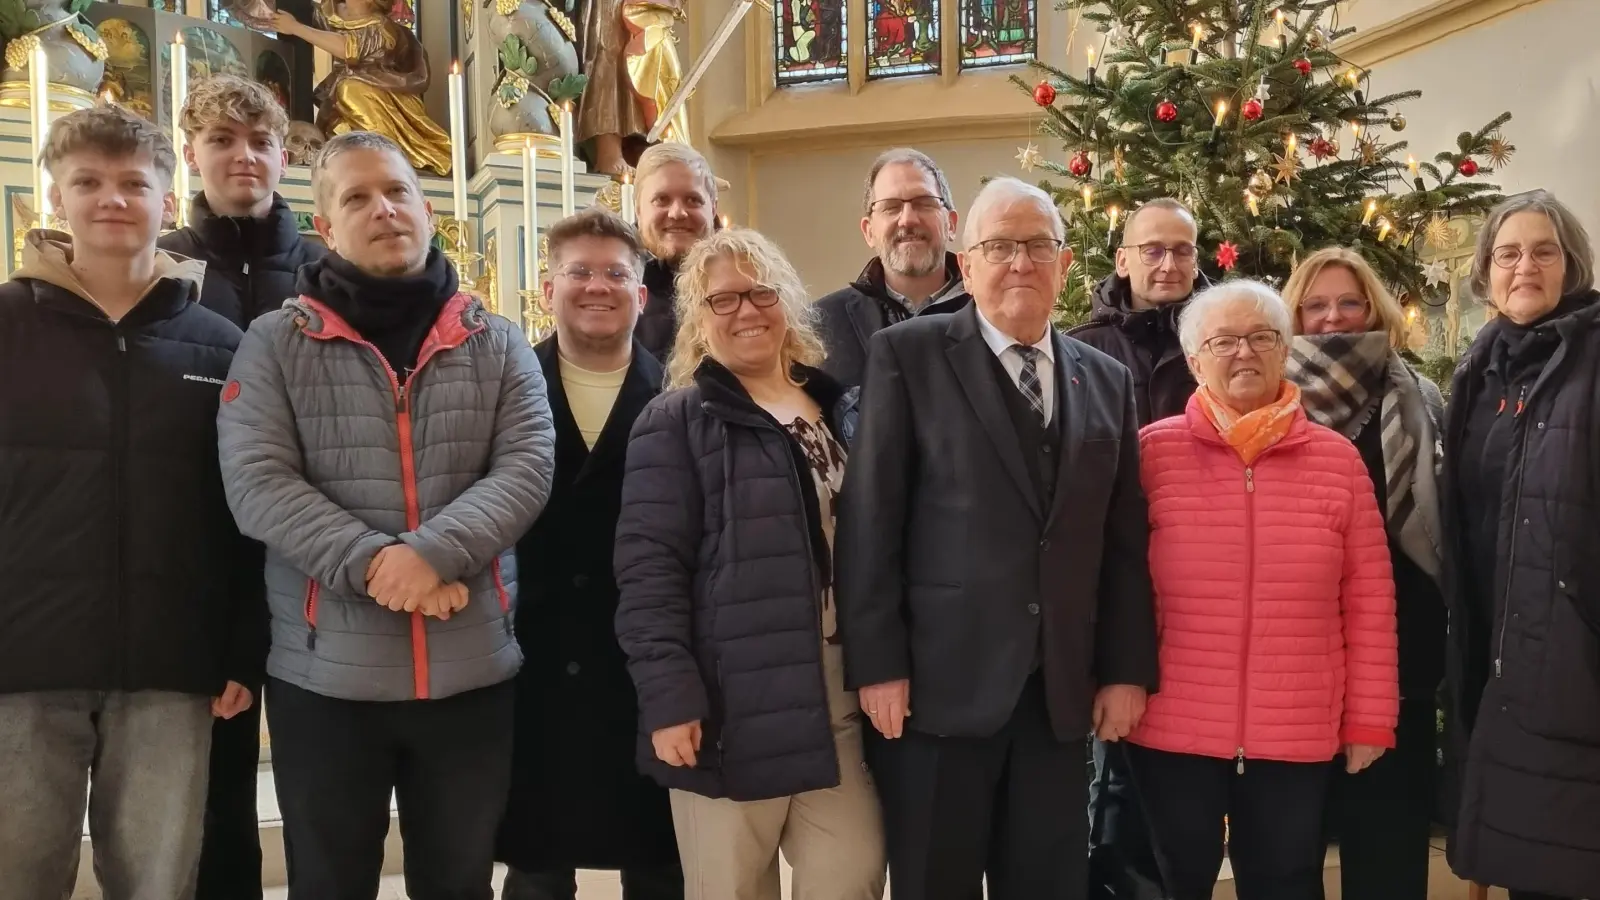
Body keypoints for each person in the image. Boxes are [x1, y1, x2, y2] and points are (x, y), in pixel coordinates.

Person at [216, 131, 556, 900]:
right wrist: (380, 566)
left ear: (427, 210)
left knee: (458, 883)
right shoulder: (275, 343)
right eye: (357, 197)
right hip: (324, 680)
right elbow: (258, 482)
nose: (384, 209)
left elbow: (528, 468)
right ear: (327, 227)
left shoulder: (498, 342)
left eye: (397, 192)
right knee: (330, 886)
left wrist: (430, 555)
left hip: (470, 673)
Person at [836, 176, 1156, 900]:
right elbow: (869, 524)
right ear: (967, 261)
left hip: (1057, 697)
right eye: (999, 246)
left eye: (1038, 246)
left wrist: (1126, 668)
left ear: (1066, 264)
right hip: (937, 694)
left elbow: (1123, 541)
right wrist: (878, 665)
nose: (1020, 263)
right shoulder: (906, 357)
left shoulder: (1105, 379)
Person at [0, 105, 261, 900]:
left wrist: (241, 647)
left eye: (132, 183)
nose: (111, 199)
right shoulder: (5, 323)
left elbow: (245, 513)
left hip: (170, 665)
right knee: (19, 875)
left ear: (168, 202)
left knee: (158, 882)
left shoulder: (221, 343)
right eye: (88, 182)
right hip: (23, 662)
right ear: (56, 200)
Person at [614, 228, 882, 900]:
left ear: (787, 301)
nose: (746, 310)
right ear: (699, 321)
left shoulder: (839, 407)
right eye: (722, 299)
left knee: (851, 878)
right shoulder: (674, 421)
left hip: (838, 707)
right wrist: (669, 698)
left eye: (761, 291)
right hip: (729, 717)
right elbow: (649, 575)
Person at [1127, 279, 1399, 900]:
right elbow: (1119, 589)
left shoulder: (1338, 461)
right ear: (1195, 360)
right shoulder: (1152, 453)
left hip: (1296, 728)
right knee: (1170, 882)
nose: (1243, 352)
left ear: (1286, 351)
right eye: (1222, 340)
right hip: (1173, 724)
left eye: (1261, 337)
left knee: (1287, 882)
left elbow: (1369, 601)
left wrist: (1370, 718)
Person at [158, 77, 326, 898]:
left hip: (309, 555)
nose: (242, 156)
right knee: (212, 797)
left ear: (284, 157)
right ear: (192, 153)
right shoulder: (163, 270)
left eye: (259, 141)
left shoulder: (329, 271)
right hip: (196, 559)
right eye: (222, 140)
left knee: (319, 790)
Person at [498, 208, 682, 900]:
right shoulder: (504, 388)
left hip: (643, 669)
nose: (596, 287)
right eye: (579, 272)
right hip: (533, 666)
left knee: (660, 867)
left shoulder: (681, 396)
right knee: (536, 871)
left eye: (616, 273)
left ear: (641, 295)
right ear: (548, 290)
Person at [1441, 190, 1600, 900]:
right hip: (1495, 651)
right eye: (1508, 253)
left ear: (1573, 265)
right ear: (1486, 271)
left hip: (1573, 657)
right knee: (1528, 860)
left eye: (1543, 251)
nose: (1524, 267)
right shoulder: (1481, 368)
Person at [1281, 247, 1445, 900]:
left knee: (1389, 858)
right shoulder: (1271, 403)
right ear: (1295, 316)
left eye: (1349, 302)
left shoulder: (1420, 398)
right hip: (1299, 665)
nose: (1333, 318)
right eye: (1315, 305)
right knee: (1292, 858)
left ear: (1374, 309)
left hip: (1403, 656)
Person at [1070, 196, 1202, 900]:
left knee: (1174, 790)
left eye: (1181, 250)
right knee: (1110, 781)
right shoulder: (1083, 346)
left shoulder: (1225, 337)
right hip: (1105, 587)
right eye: (1152, 249)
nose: (1167, 262)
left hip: (1199, 591)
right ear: (1122, 259)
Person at [815, 148, 970, 388]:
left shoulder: (991, 316)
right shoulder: (820, 326)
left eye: (924, 203)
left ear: (950, 224)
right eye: (891, 207)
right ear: (869, 231)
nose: (908, 219)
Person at [271, 0, 453, 174]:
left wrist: (295, 28)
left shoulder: (383, 28)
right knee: (343, 92)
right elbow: (318, 19)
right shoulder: (337, 17)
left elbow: (348, 48)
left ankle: (384, 152)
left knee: (349, 90)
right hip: (351, 89)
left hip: (382, 91)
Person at [632, 141, 717, 363]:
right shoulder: (614, 288)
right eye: (662, 200)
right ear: (638, 210)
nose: (677, 213)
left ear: (713, 208)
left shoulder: (746, 282)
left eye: (693, 200)